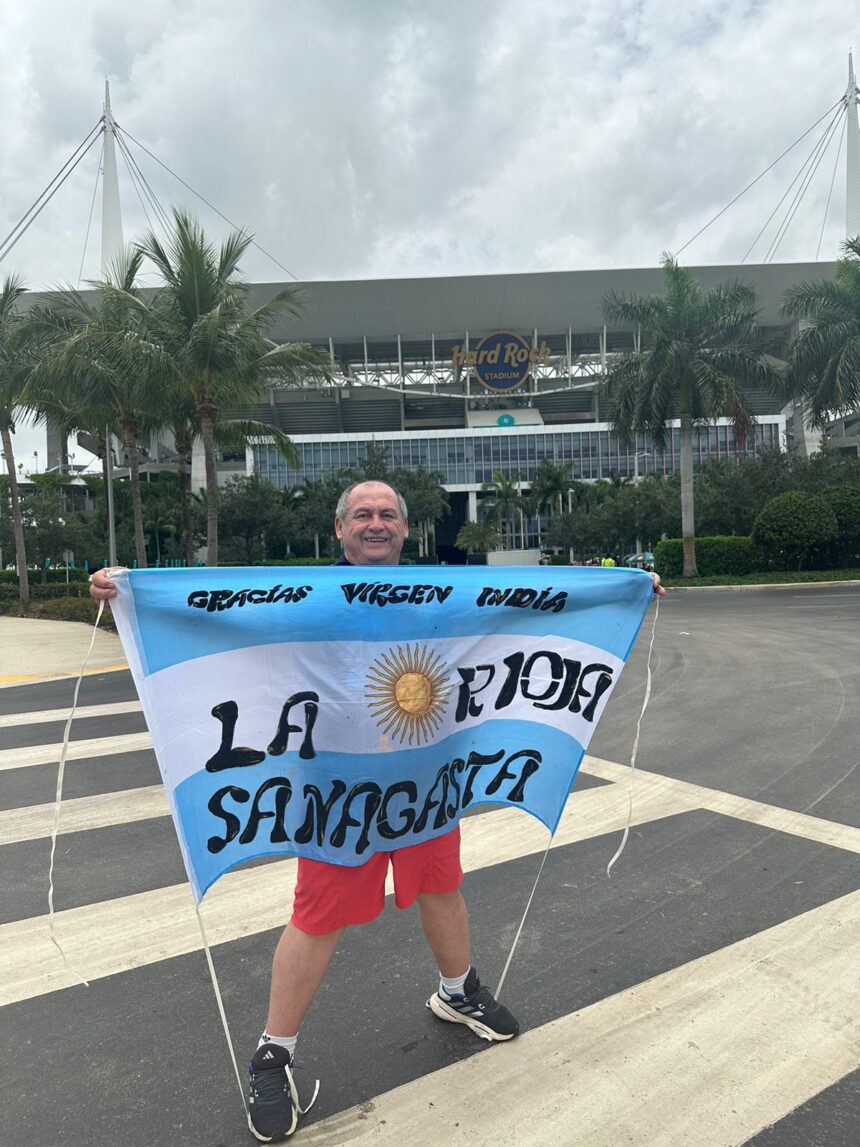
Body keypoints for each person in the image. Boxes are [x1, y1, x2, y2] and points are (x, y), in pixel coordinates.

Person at [90, 479, 665, 1142]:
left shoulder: (442, 594)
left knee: (443, 888)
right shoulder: (305, 599)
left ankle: (457, 989)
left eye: (387, 513)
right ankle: (274, 1050)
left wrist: (626, 586)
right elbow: (213, 612)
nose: (375, 522)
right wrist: (127, 591)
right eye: (362, 513)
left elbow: (531, 611)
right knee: (318, 915)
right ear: (339, 529)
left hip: (427, 781)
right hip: (336, 794)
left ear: (404, 528)